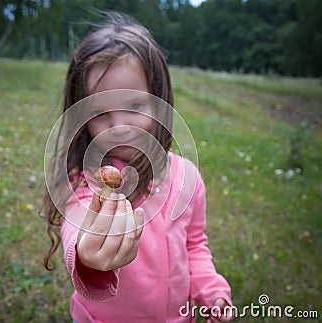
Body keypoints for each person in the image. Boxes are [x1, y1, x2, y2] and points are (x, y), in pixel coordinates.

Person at [42, 12, 233, 323]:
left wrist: (211, 291)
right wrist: (87, 254)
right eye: (101, 112)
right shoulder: (86, 181)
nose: (118, 127)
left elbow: (195, 245)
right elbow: (76, 225)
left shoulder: (187, 178)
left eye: (134, 107)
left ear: (160, 101)